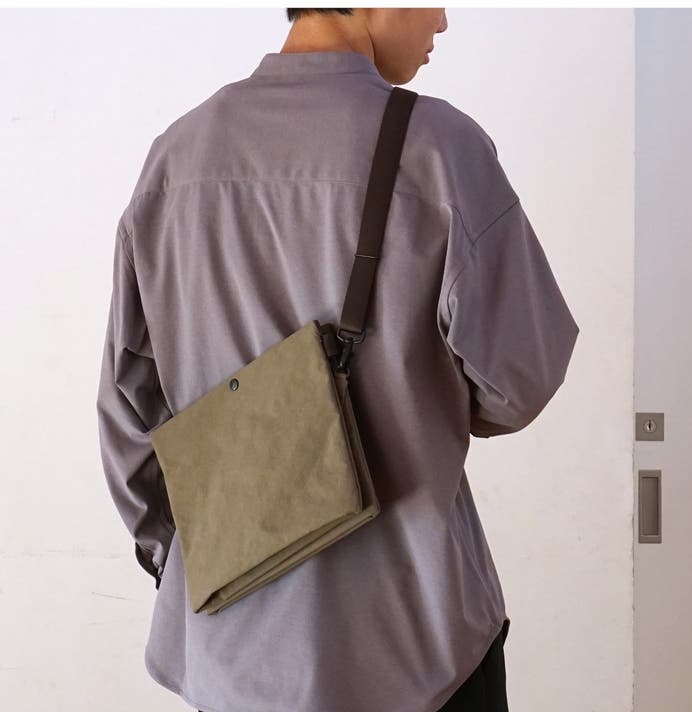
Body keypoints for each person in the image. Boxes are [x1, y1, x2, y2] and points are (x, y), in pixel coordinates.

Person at [96, 7, 579, 712]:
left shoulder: (176, 158)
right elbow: (519, 380)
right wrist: (418, 394)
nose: (443, 19)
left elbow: (129, 409)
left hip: (232, 656)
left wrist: (196, 555)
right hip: (419, 648)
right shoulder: (440, 148)